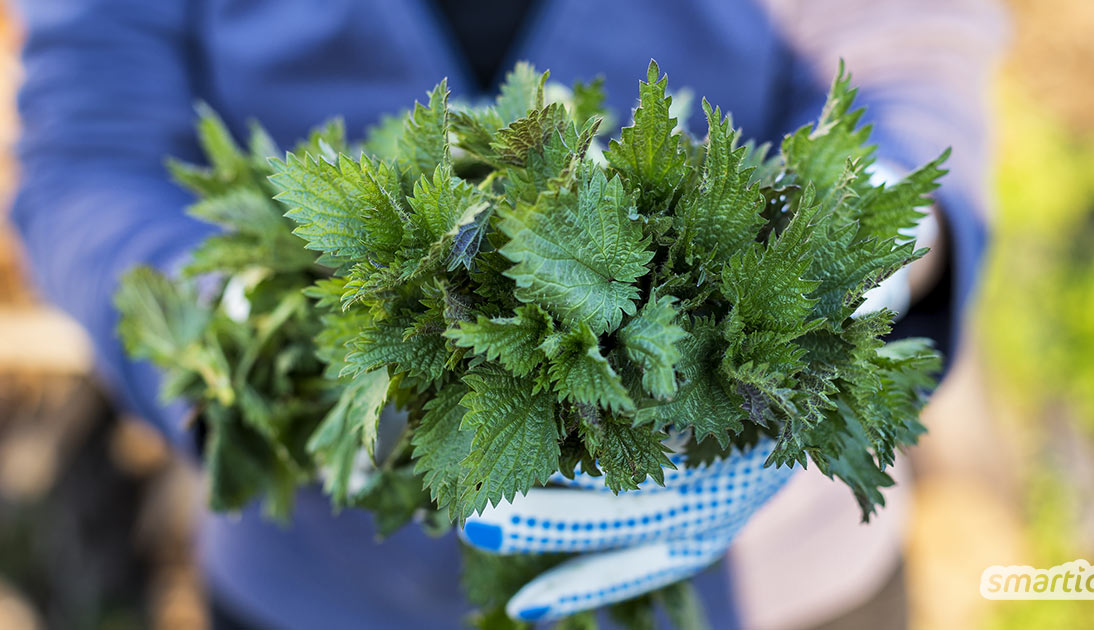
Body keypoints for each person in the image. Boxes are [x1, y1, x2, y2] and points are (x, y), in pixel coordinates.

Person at [10, 0, 1005, 627]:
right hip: (332, 589)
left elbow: (906, 65)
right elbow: (89, 154)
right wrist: (246, 335)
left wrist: (864, 241)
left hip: (778, 578)